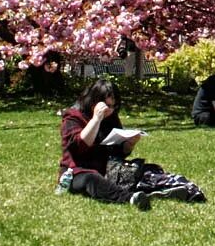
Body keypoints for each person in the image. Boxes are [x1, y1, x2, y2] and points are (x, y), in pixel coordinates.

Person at [58, 79, 151, 210]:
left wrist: (129, 144)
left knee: (147, 169)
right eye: (107, 106)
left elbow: (117, 152)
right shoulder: (73, 116)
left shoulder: (111, 118)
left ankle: (171, 187)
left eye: (113, 106)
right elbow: (78, 146)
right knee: (91, 179)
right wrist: (96, 119)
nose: (110, 110)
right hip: (77, 172)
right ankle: (129, 198)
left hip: (107, 169)